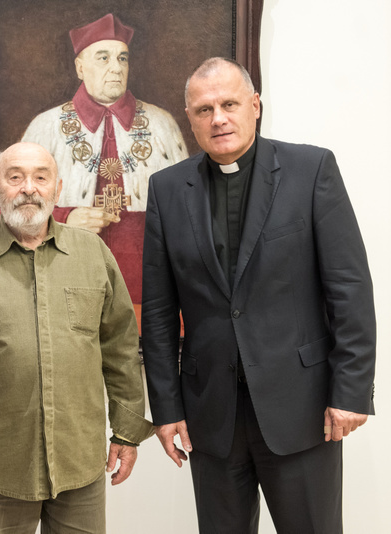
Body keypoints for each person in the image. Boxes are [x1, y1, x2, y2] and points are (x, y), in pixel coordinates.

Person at [141, 57, 376, 533]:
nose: (218, 118)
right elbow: (160, 312)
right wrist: (165, 408)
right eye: (204, 110)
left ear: (255, 105)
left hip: (303, 410)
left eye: (229, 104)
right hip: (212, 416)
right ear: (190, 119)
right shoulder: (166, 189)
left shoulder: (311, 169)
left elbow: (349, 288)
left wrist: (351, 391)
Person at [0, 142, 152, 533]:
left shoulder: (94, 255)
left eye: (41, 177)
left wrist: (127, 431)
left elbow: (120, 348)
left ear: (57, 188)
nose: (28, 188)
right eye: (15, 177)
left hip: (79, 461)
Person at [22, 13, 188, 304]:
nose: (116, 68)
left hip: (147, 283)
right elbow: (12, 212)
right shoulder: (45, 126)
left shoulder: (162, 124)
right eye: (103, 58)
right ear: (80, 67)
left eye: (122, 58)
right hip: (69, 279)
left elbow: (188, 210)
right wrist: (64, 219)